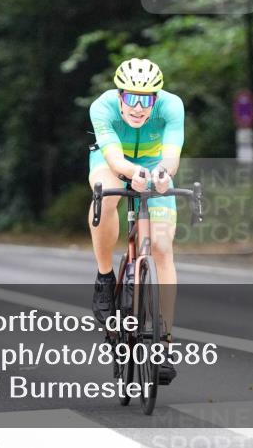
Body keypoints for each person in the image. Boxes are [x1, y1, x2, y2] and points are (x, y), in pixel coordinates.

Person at [88, 58, 183, 384]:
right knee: (107, 192)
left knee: (161, 247)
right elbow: (114, 158)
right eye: (132, 98)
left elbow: (171, 155)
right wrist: (131, 172)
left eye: (147, 99)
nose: (139, 107)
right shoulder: (102, 108)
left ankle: (166, 344)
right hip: (112, 160)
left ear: (157, 97)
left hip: (154, 163)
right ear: (120, 96)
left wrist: (162, 172)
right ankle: (104, 277)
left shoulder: (172, 107)